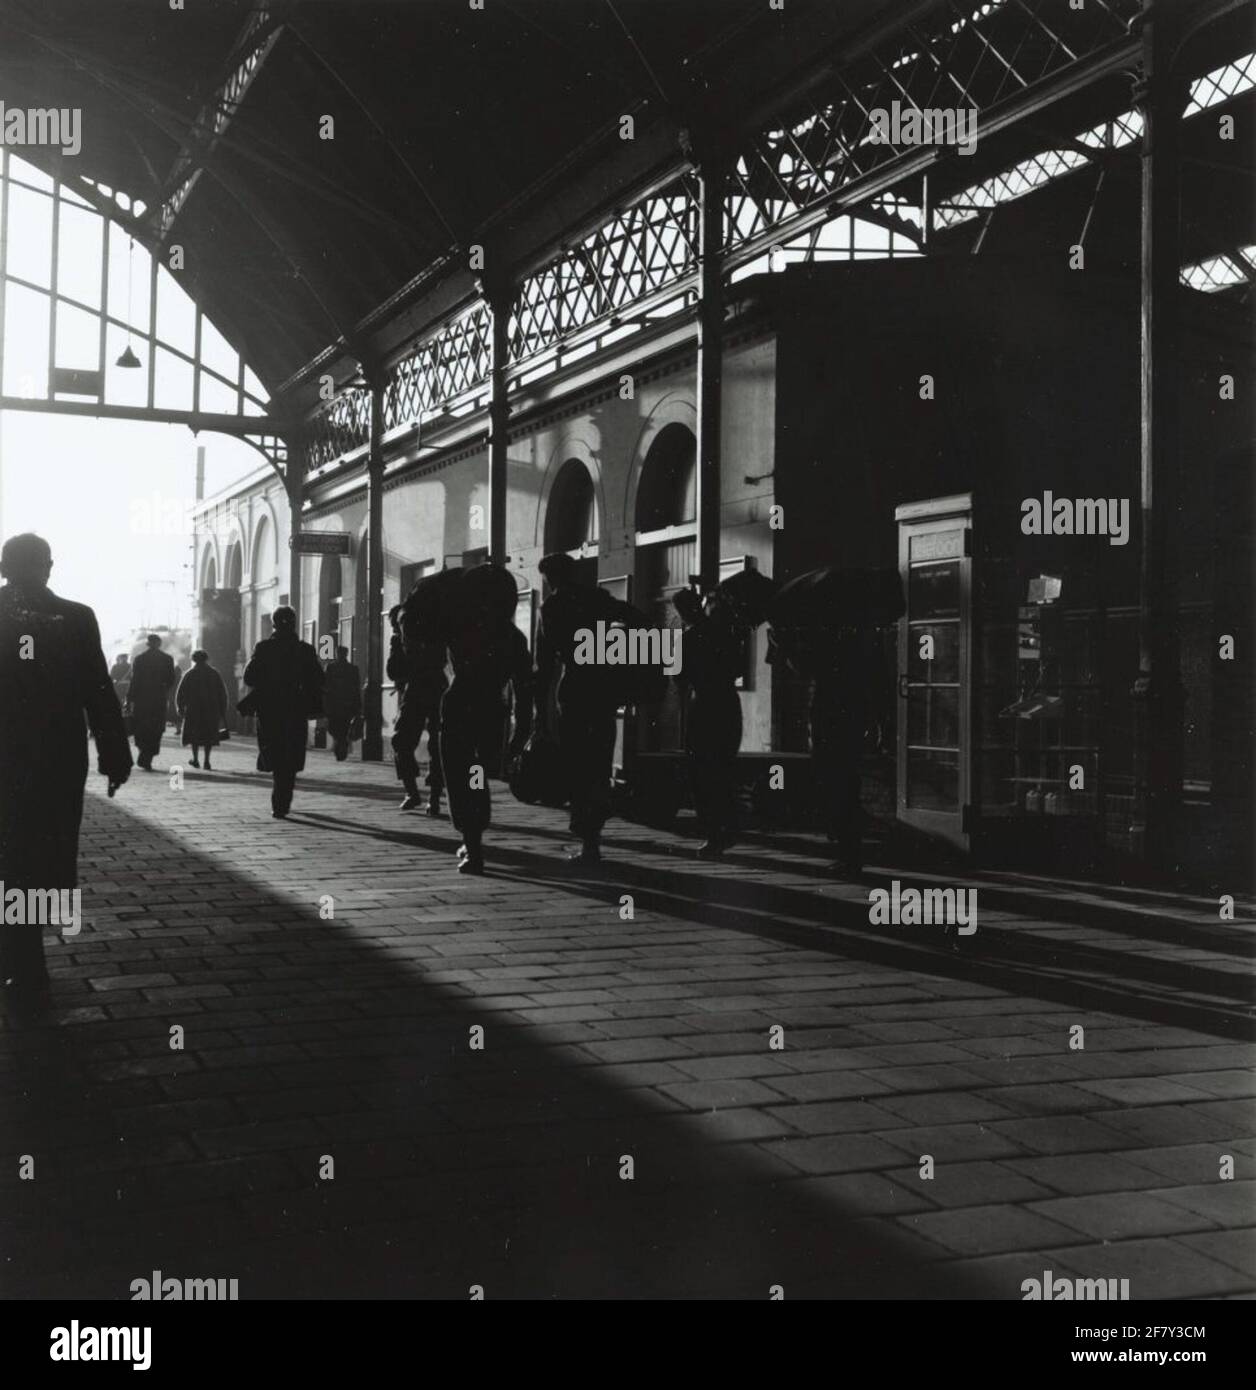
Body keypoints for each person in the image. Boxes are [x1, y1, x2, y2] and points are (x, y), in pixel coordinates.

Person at [0, 532, 132, 1016]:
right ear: (50, 567)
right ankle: (26, 952)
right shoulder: (77, 618)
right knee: (48, 849)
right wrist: (115, 756)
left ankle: (18, 955)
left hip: (4, 759)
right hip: (58, 759)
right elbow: (99, 691)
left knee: (9, 851)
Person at [533, 552, 641, 866]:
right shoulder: (600, 600)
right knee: (600, 762)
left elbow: (544, 665)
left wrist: (539, 711)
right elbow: (637, 619)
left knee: (578, 766)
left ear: (550, 578)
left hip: (574, 691)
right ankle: (594, 836)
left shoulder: (551, 608)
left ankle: (588, 841)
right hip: (604, 689)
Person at [439, 570, 532, 874]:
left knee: (459, 776)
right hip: (491, 712)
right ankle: (473, 840)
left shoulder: (460, 628)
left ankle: (472, 844)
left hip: (458, 708)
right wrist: (523, 726)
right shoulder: (513, 637)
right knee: (476, 775)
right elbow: (523, 685)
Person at [673, 587, 746, 858]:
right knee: (724, 769)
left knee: (703, 773)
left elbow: (678, 678)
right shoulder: (724, 634)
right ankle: (727, 828)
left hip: (703, 706)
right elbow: (738, 668)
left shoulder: (688, 639)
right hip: (728, 704)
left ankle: (715, 834)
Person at [241, 606, 324, 818]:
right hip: (295, 708)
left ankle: (279, 799)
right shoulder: (305, 650)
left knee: (274, 750)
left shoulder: (263, 648)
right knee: (292, 753)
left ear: (274, 624)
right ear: (295, 623)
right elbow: (318, 680)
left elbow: (249, 677)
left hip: (269, 709)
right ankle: (283, 798)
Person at [393, 605, 447, 814]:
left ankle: (421, 794)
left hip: (421, 690)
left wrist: (397, 643)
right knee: (431, 744)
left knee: (409, 741)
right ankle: (426, 796)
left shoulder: (415, 636)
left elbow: (395, 669)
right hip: (432, 689)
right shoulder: (437, 632)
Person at [128, 632, 176, 770]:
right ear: (159, 644)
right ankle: (147, 756)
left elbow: (134, 680)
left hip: (141, 699)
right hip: (158, 699)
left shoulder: (139, 659)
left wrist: (129, 698)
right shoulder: (167, 659)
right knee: (156, 728)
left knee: (141, 727)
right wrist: (163, 689)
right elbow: (171, 679)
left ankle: (143, 752)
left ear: (147, 644)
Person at [175, 649, 228, 770]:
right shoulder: (214, 673)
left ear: (194, 659)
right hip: (211, 709)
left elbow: (180, 693)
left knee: (194, 736)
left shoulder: (189, 674)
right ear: (206, 659)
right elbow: (222, 693)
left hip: (194, 710)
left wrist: (180, 707)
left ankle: (195, 759)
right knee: (208, 735)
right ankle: (207, 761)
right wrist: (222, 710)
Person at [322, 645, 362, 762]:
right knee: (343, 727)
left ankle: (340, 746)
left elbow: (326, 686)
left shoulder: (330, 667)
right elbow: (356, 688)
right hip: (347, 704)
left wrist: (325, 703)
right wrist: (358, 705)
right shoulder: (353, 669)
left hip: (335, 704)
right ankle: (342, 745)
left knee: (335, 727)